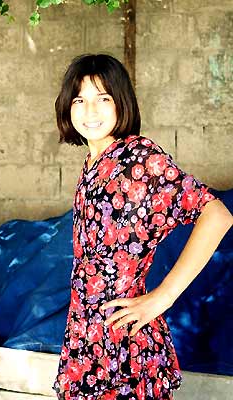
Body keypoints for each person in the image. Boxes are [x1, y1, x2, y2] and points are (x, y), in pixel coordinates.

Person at [53, 54, 233, 399]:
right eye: (80, 100)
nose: (90, 111)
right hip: (85, 337)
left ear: (121, 103)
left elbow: (217, 214)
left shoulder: (138, 158)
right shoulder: (92, 162)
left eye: (103, 98)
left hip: (125, 343)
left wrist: (163, 297)